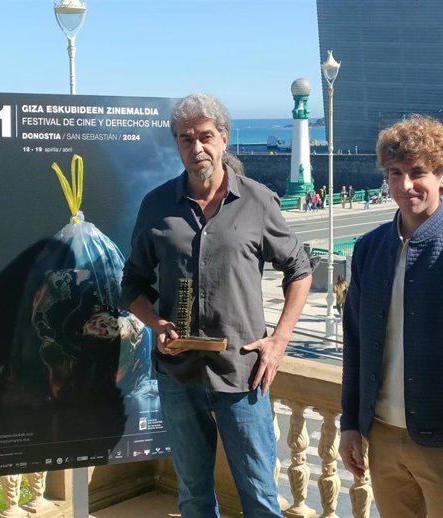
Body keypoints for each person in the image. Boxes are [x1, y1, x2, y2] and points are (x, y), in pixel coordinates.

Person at [121, 94, 312, 517]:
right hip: (178, 376)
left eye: (206, 137)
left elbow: (300, 270)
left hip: (244, 376)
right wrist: (155, 323)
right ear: (177, 145)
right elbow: (131, 283)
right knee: (193, 496)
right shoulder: (157, 205)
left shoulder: (259, 200)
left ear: (224, 139)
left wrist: (278, 341)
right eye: (186, 139)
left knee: (261, 497)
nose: (197, 148)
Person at [339, 116, 443, 518]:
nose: (405, 185)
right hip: (381, 437)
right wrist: (350, 424)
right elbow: (356, 343)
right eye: (395, 173)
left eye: (418, 173)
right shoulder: (369, 248)